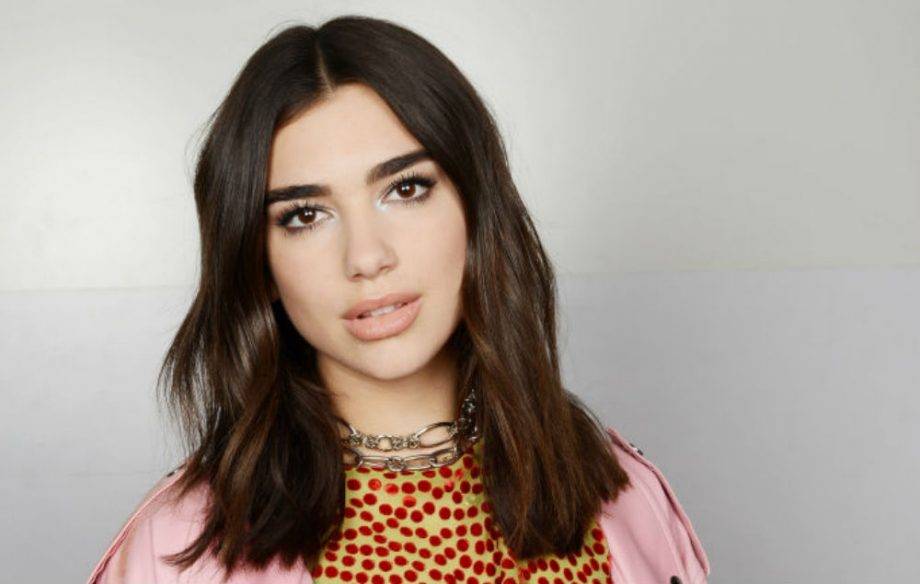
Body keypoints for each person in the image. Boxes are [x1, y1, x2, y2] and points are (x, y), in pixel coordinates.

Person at [86, 15, 710, 584]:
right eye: (305, 215)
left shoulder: (619, 498)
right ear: (259, 263)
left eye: (406, 188)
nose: (366, 257)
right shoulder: (178, 551)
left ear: (475, 208)